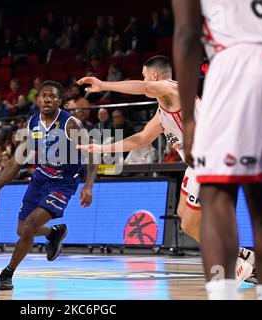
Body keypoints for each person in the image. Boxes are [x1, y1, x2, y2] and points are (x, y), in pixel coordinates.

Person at [77, 55, 253, 284]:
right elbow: (140, 139)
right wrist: (103, 147)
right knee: (187, 221)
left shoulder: (172, 89)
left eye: (144, 75)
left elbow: (145, 87)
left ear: (154, 75)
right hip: (198, 164)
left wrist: (103, 85)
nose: (143, 79)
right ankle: (242, 257)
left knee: (201, 218)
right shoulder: (163, 111)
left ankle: (233, 261)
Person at [172, 0, 262, 300]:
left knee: (217, 195)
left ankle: (222, 293)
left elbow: (188, 35)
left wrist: (188, 120)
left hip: (238, 62)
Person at [0, 80, 97, 290]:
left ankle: (7, 274)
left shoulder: (70, 124)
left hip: (63, 183)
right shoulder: (32, 123)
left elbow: (91, 153)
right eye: (44, 95)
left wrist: (88, 185)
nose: (48, 99)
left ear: (60, 101)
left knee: (30, 226)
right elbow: (16, 161)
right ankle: (53, 233)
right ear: (37, 99)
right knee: (22, 230)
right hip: (41, 178)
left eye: (53, 96)